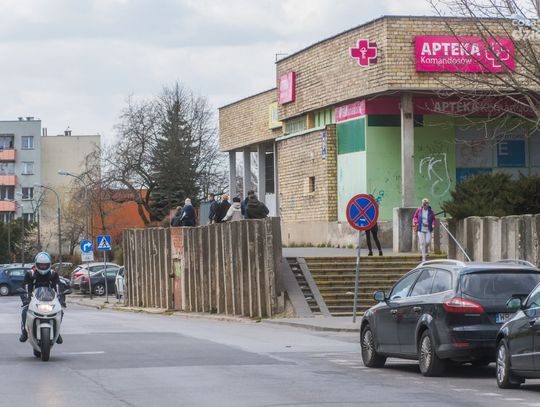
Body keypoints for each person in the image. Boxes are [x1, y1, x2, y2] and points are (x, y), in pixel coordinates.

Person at [20, 252, 64, 344]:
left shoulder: (53, 274)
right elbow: (26, 287)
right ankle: (24, 332)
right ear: (36, 264)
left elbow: (57, 286)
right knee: (25, 311)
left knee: (60, 311)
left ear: (49, 264)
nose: (43, 267)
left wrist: (61, 299)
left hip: (49, 300)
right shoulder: (30, 274)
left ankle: (57, 331)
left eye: (45, 265)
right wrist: (26, 299)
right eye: (41, 265)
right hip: (33, 300)